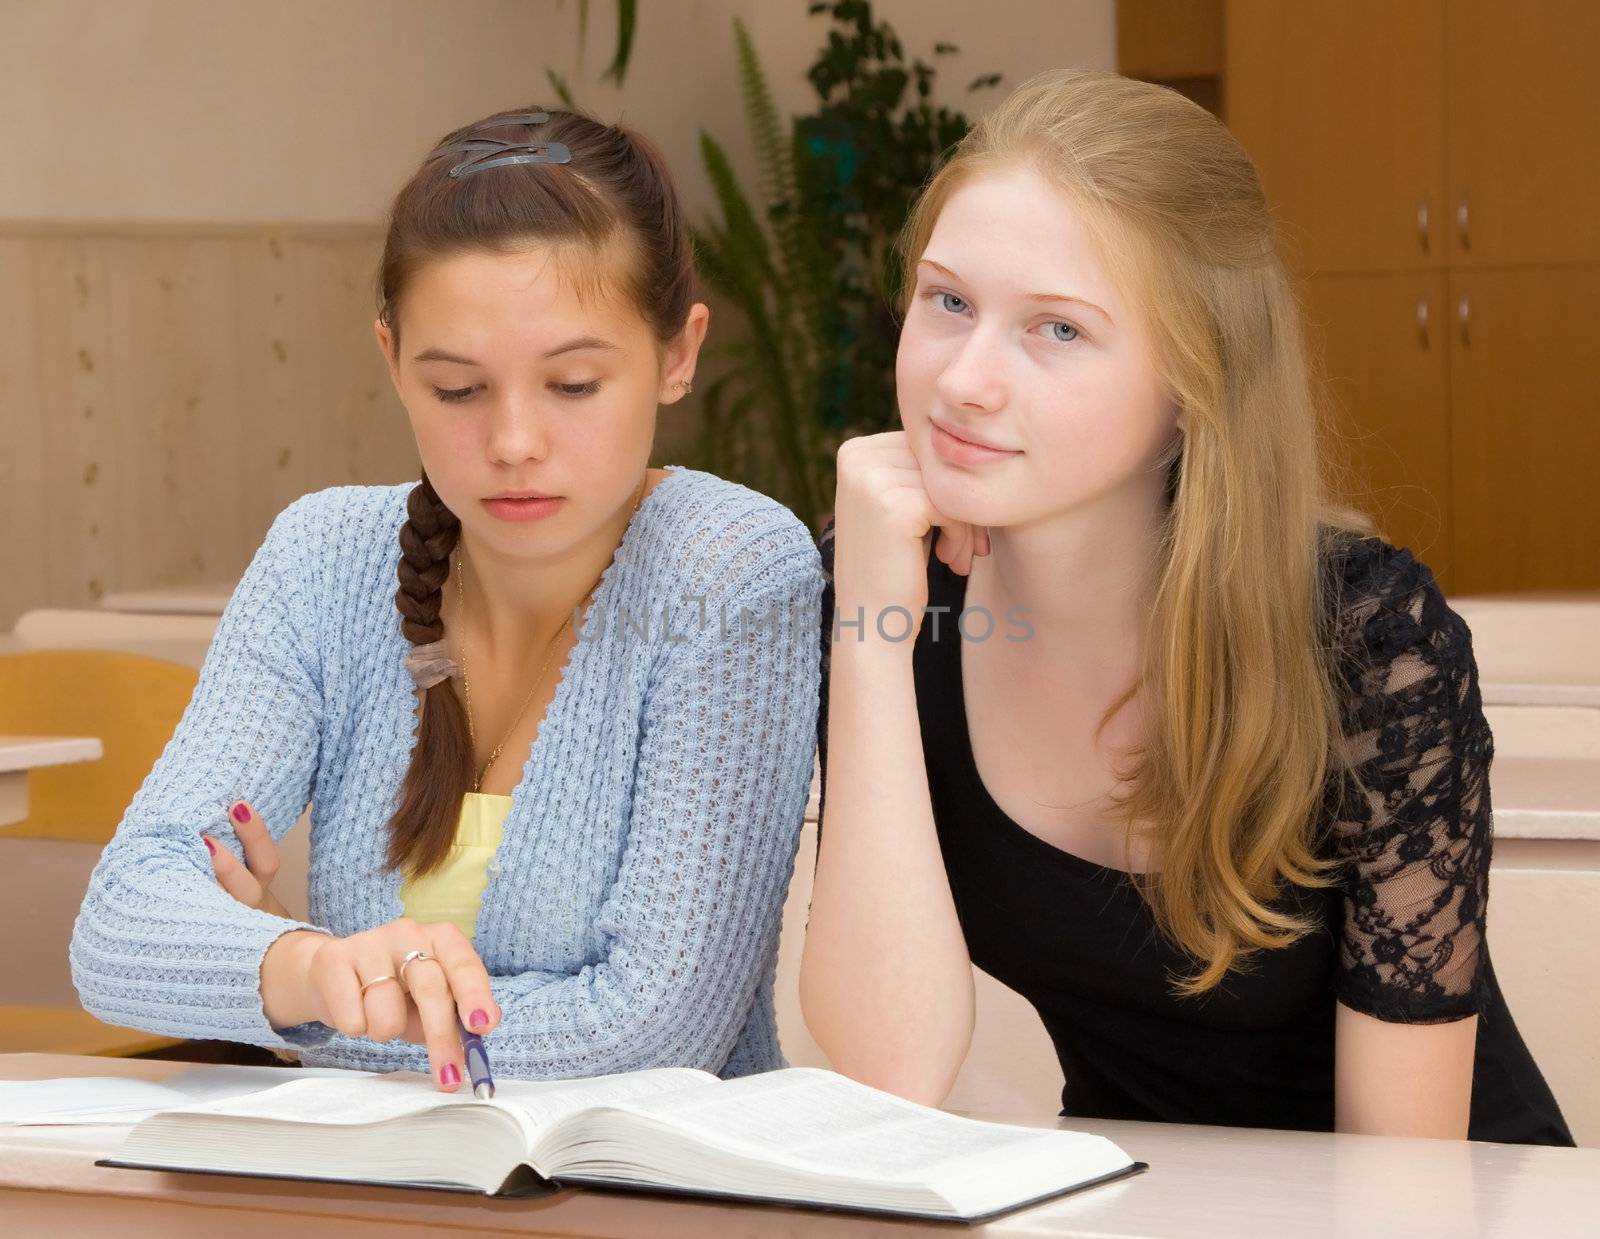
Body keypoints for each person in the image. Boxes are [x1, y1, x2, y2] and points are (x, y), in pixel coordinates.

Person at [799, 68, 1573, 1145]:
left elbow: (1409, 1175)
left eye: (1057, 330)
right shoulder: (889, 587)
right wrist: (871, 632)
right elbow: (892, 1070)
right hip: (1141, 1196)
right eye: (949, 301)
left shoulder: (1368, 639)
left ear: (1190, 388)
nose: (964, 380)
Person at [71, 107, 822, 1092]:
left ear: (676, 355)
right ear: (392, 361)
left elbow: (650, 1032)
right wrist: (305, 966)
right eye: (459, 391)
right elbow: (121, 926)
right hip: (370, 1187)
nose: (512, 441)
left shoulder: (731, 570)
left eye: (573, 384)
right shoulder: (323, 558)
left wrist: (306, 1007)